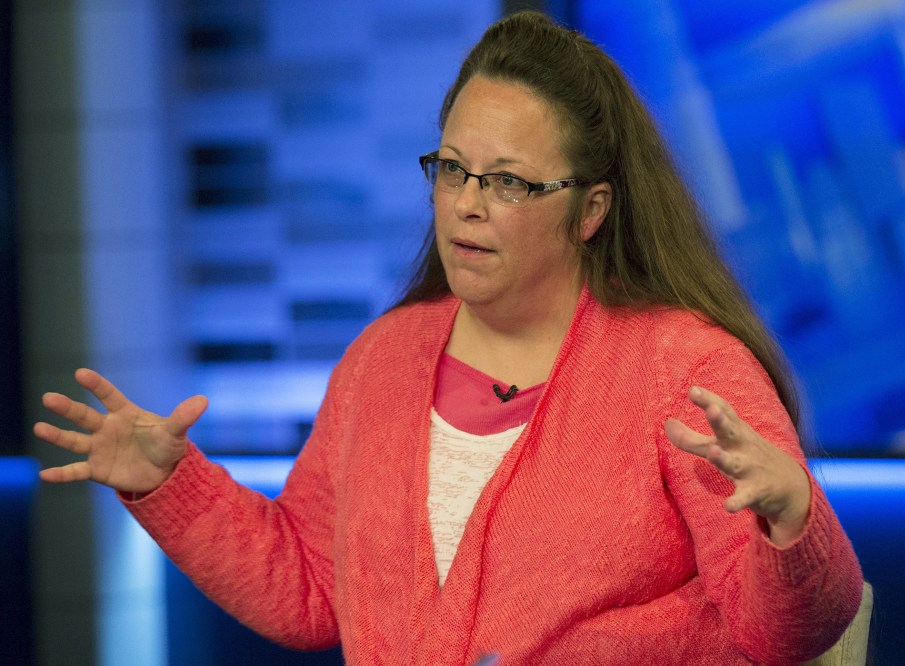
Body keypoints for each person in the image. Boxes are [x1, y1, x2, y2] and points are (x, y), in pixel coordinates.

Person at [35, 11, 863, 665]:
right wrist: (169, 486)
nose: (466, 203)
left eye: (507, 182)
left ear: (592, 210)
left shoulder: (687, 369)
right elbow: (315, 590)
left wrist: (792, 522)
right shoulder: (382, 360)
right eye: (454, 169)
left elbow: (783, 634)